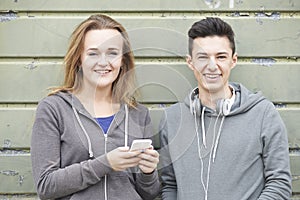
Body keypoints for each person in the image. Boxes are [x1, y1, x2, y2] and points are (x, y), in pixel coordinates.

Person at [159, 17, 291, 200]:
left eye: (220, 57)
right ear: (190, 62)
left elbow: (279, 184)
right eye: (203, 57)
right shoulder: (172, 119)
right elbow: (170, 185)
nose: (212, 66)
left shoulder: (263, 114)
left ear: (233, 60)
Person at [31, 14, 160, 200]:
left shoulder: (138, 114)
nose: (103, 62)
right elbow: (46, 186)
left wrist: (148, 173)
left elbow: (148, 194)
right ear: (79, 59)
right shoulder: (54, 109)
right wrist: (106, 163)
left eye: (112, 53)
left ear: (122, 61)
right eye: (93, 53)